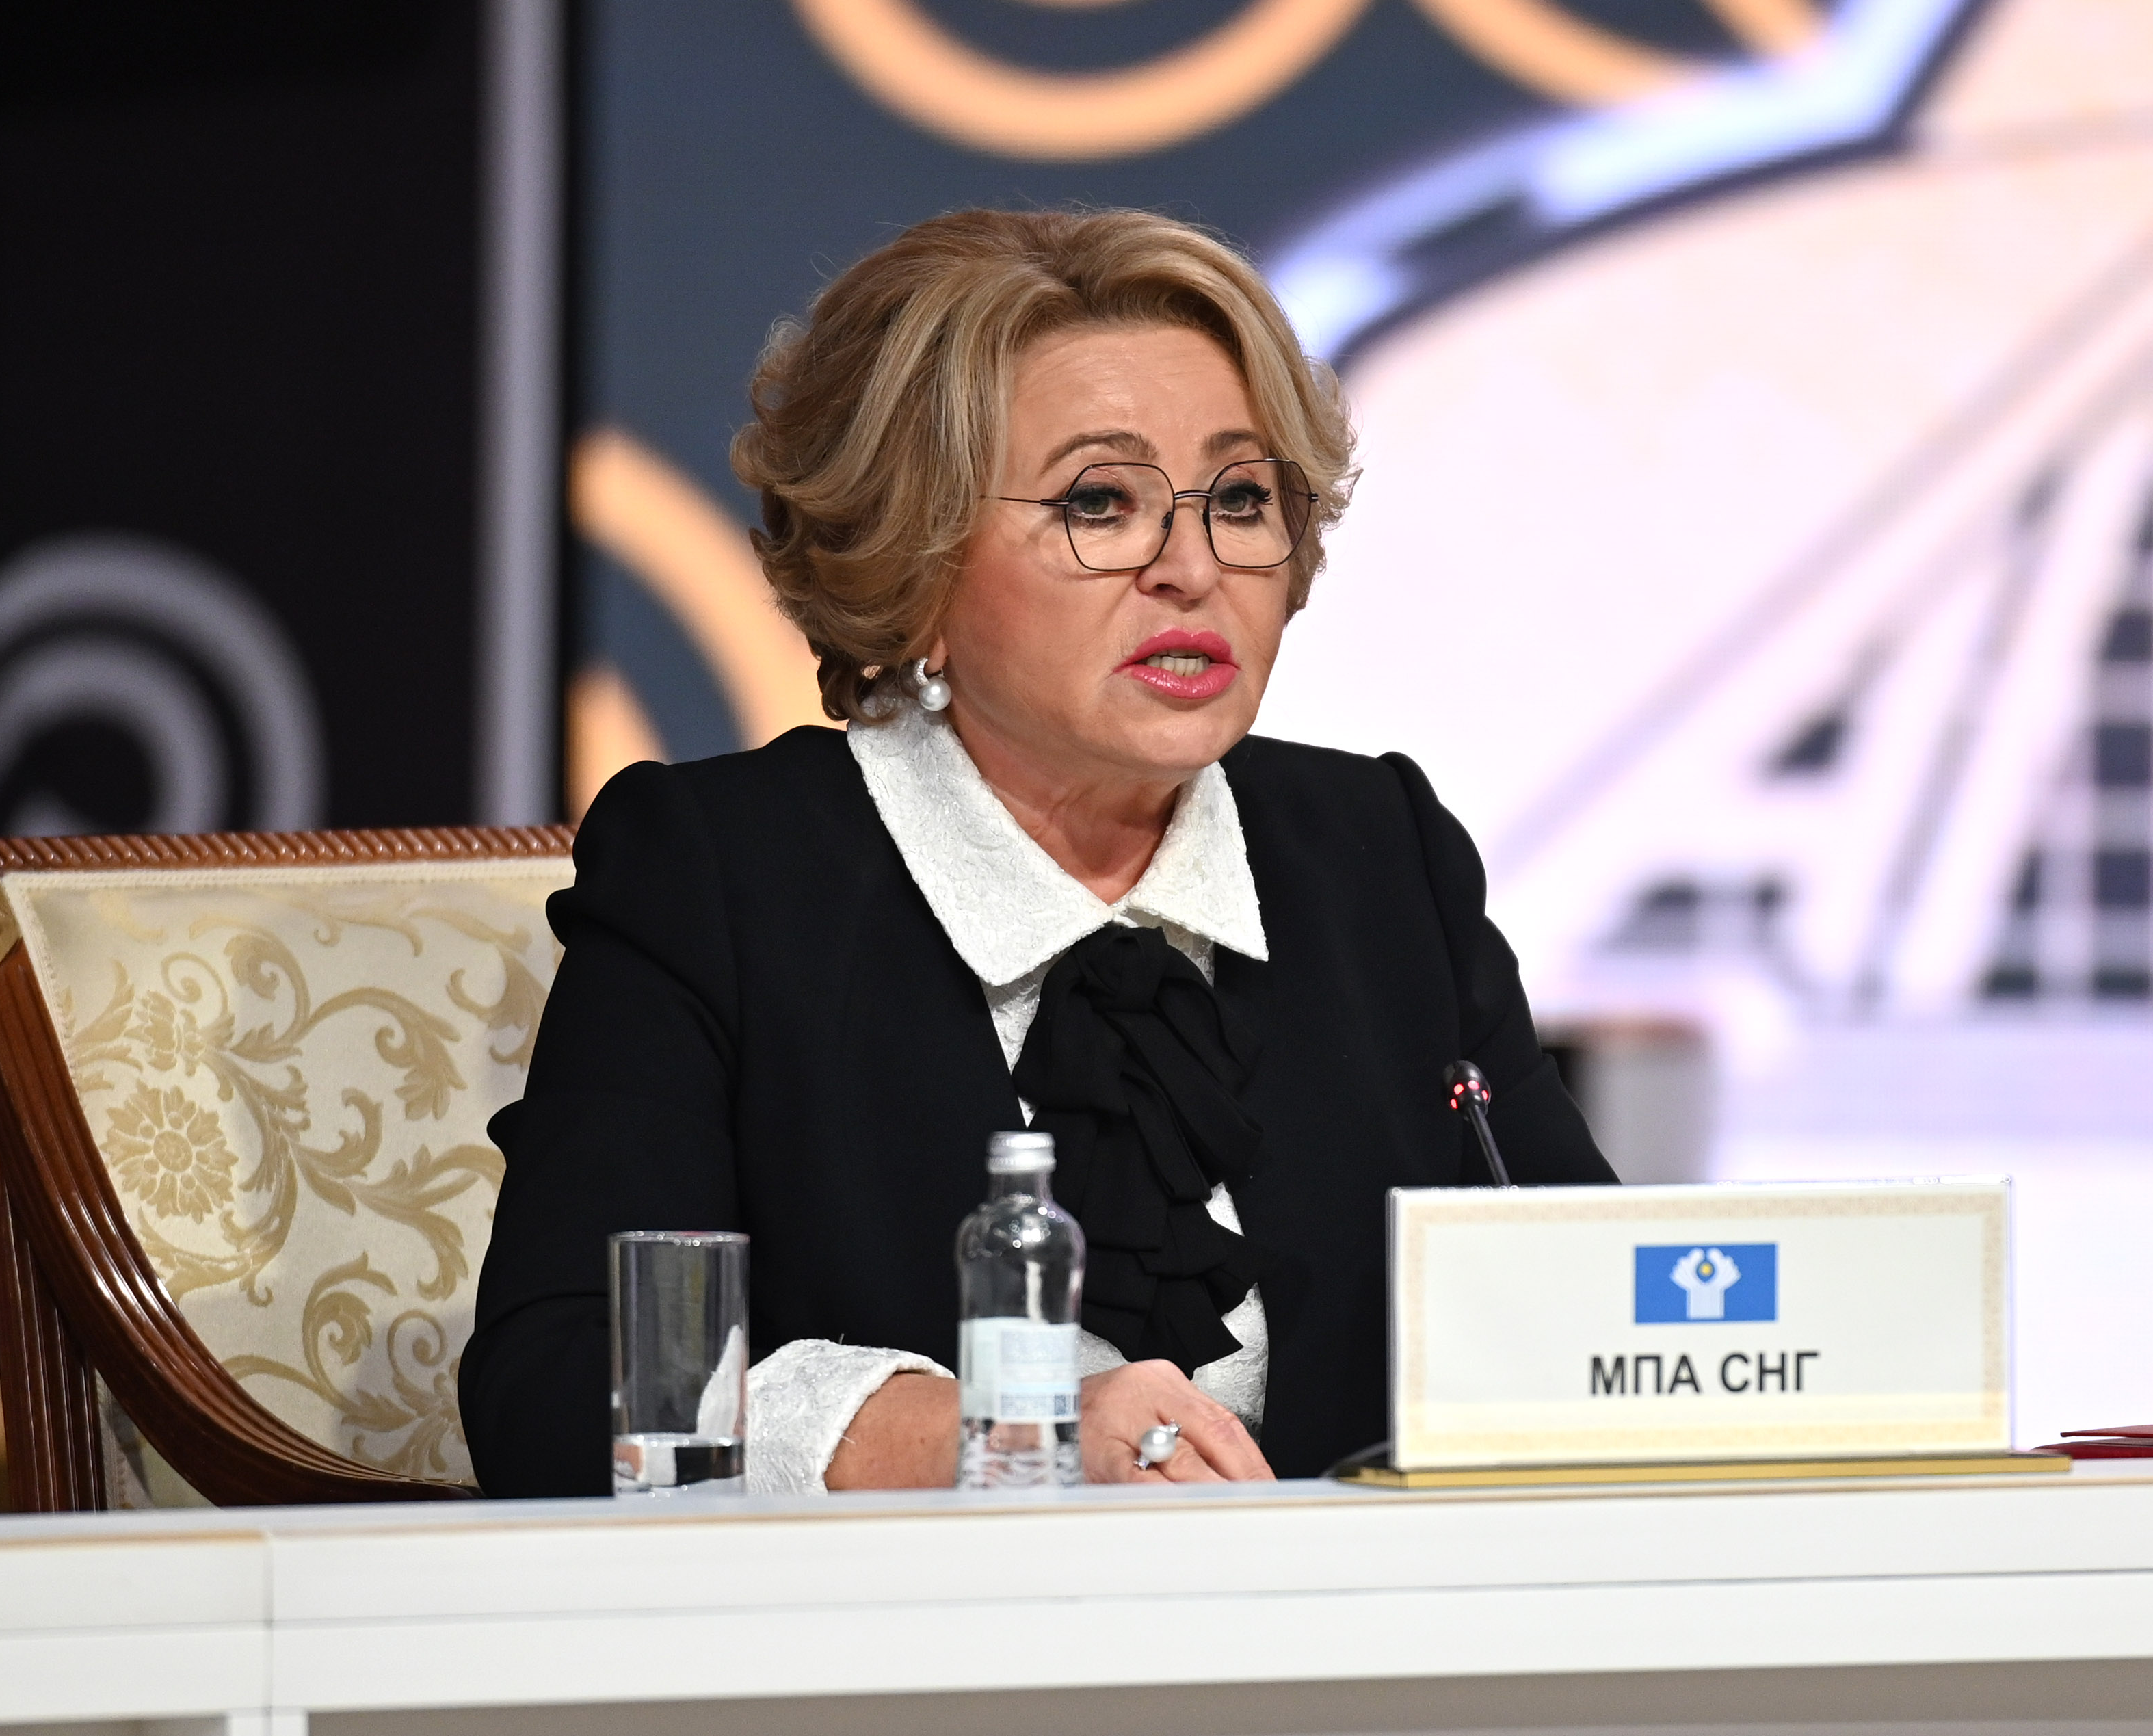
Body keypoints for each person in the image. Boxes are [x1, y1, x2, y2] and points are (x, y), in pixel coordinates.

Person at [461, 208, 1612, 1498]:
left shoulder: (1377, 854)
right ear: (915, 561)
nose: (1191, 568)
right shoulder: (725, 878)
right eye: (1099, 503)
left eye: (1240, 498)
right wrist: (990, 1438)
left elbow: (1590, 1327)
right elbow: (560, 1385)